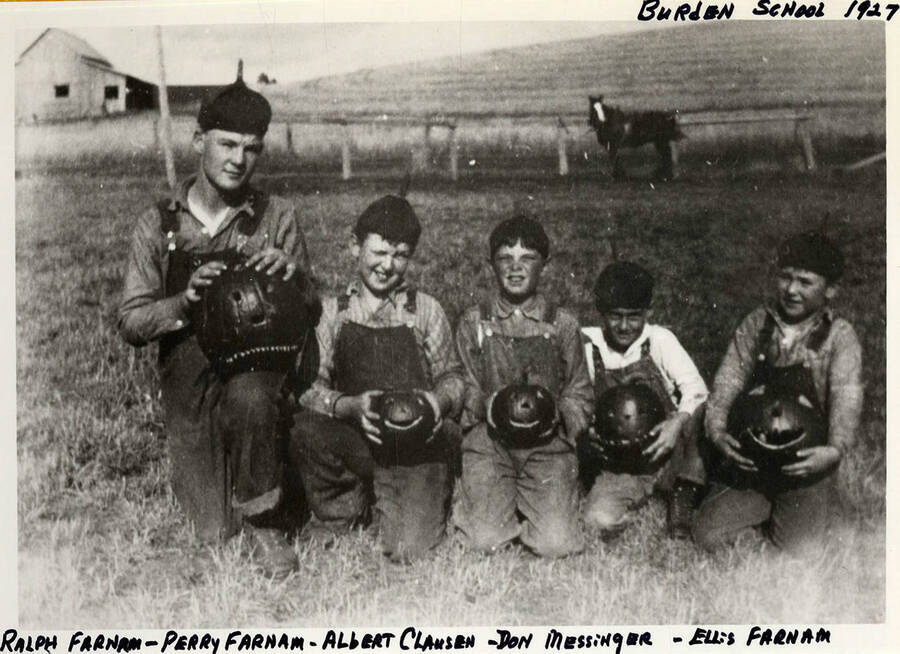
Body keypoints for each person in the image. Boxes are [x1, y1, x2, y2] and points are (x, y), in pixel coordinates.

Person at [118, 75, 310, 579]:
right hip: (191, 382)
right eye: (226, 143)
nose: (238, 159)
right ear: (199, 140)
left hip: (256, 371)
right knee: (214, 532)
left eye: (252, 149)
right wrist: (185, 300)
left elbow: (311, 309)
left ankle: (266, 518)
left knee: (251, 400)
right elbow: (131, 321)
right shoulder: (160, 224)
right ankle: (234, 484)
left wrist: (293, 280)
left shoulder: (276, 216)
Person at [290, 195, 465, 563]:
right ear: (355, 246)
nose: (388, 266)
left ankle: (407, 497)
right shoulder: (332, 312)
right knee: (303, 429)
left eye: (400, 255)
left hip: (415, 443)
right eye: (379, 252)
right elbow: (309, 389)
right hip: (358, 439)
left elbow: (452, 378)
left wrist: (439, 403)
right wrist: (346, 406)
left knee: (408, 550)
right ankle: (342, 508)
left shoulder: (425, 310)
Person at [693, 231, 863, 552]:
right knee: (707, 535)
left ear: (830, 290)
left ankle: (825, 510)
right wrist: (716, 430)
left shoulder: (839, 336)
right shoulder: (757, 323)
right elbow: (727, 381)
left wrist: (834, 450)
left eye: (805, 281)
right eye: (785, 278)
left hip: (804, 466)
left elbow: (847, 398)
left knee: (802, 552)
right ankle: (760, 511)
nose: (791, 290)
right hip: (752, 461)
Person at [454, 215, 593, 558]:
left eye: (527, 259)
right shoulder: (475, 321)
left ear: (544, 265)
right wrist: (486, 405)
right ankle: (490, 501)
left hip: (546, 447)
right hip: (491, 444)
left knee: (556, 545)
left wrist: (559, 415)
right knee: (484, 542)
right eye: (505, 259)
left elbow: (580, 391)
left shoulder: (561, 324)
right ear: (491, 265)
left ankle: (541, 500)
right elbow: (464, 384)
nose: (516, 269)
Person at [579, 262, 709, 539]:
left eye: (634, 316)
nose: (624, 326)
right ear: (601, 312)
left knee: (699, 415)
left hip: (670, 450)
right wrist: (589, 428)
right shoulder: (589, 344)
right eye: (615, 316)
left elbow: (697, 390)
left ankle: (682, 490)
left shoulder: (660, 340)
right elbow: (577, 396)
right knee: (597, 520)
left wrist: (677, 423)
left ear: (648, 312)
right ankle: (631, 492)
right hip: (623, 460)